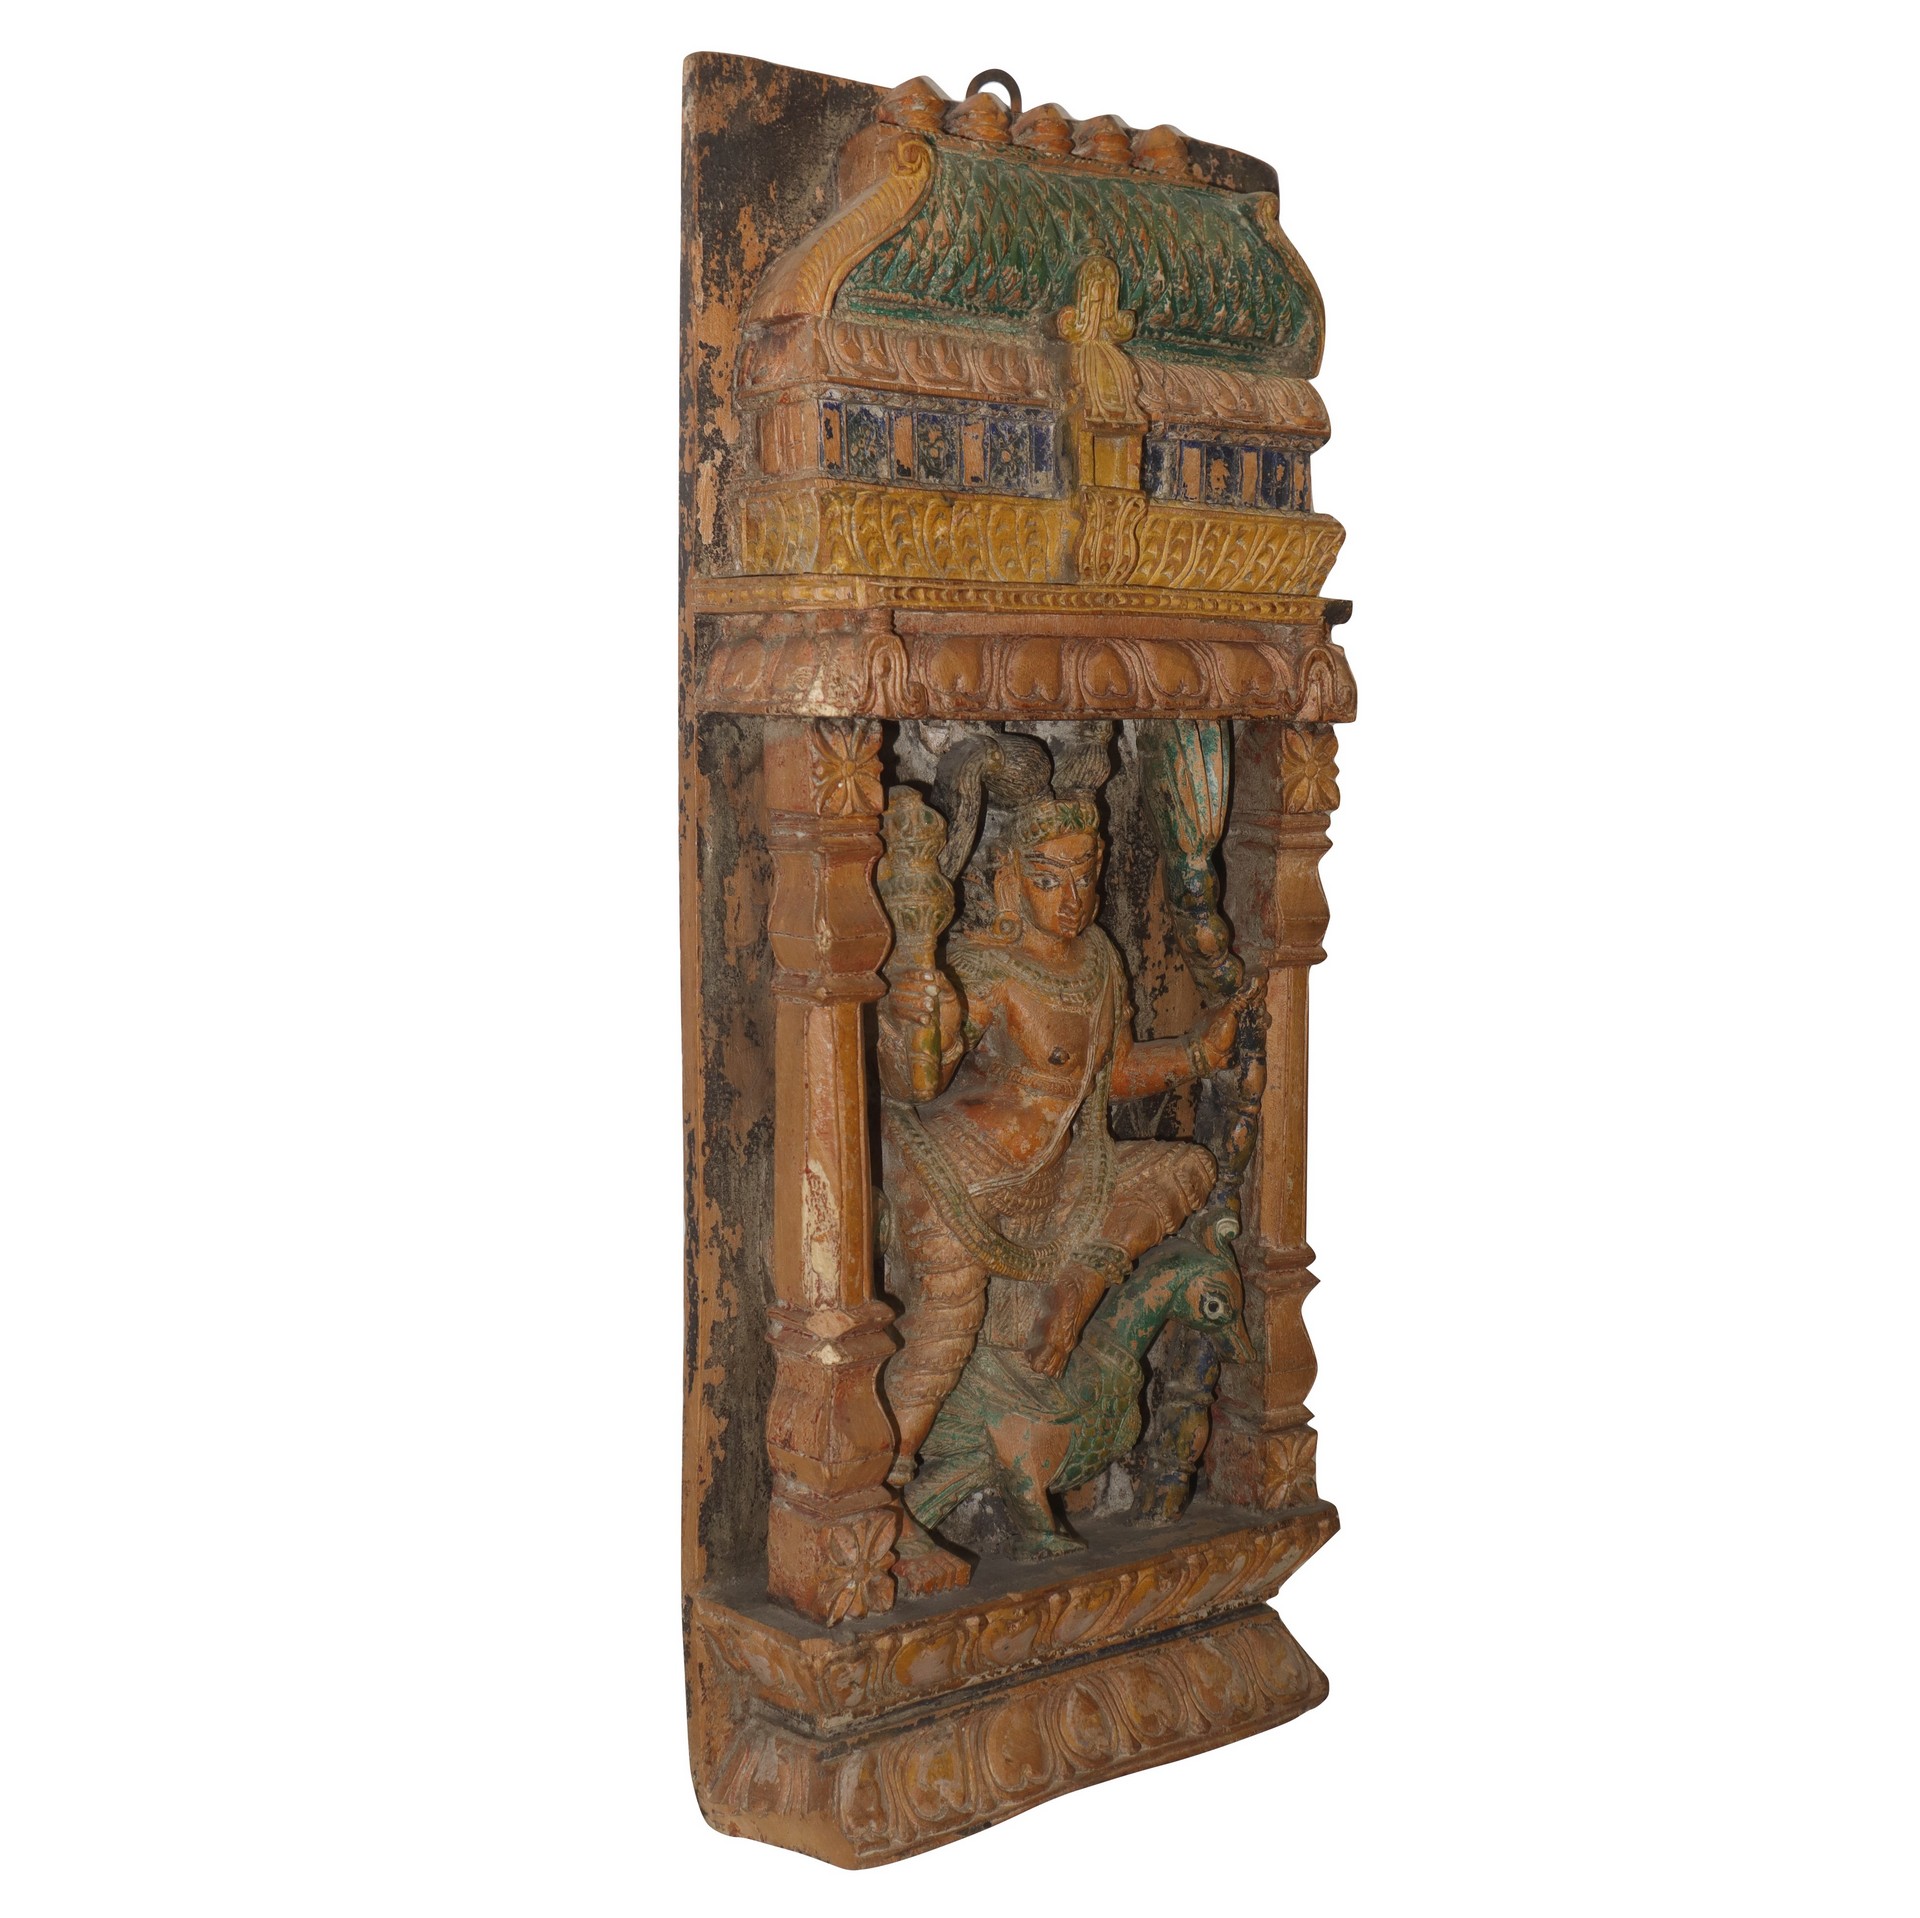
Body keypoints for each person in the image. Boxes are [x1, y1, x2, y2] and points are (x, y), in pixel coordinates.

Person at [875, 777, 1258, 1592]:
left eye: (1086, 875)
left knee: (1186, 1168)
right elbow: (919, 1081)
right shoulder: (985, 968)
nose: (1073, 897)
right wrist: (920, 1016)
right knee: (944, 1328)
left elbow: (1106, 1075)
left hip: (1062, 1176)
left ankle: (1077, 1285)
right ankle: (884, 1501)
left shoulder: (1099, 962)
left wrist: (1196, 1052)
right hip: (959, 1175)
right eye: (1049, 879)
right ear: (1010, 880)